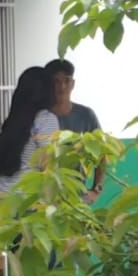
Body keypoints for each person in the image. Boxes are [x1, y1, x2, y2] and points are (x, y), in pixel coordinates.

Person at [0, 66, 65, 276]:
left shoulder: (12, 123)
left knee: (11, 274)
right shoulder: (46, 120)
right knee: (40, 272)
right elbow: (48, 166)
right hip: (30, 206)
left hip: (2, 204)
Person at [45, 58, 105, 203]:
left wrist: (96, 190)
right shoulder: (41, 117)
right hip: (45, 197)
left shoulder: (86, 115)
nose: (62, 86)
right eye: (56, 81)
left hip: (78, 196)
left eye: (66, 80)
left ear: (73, 84)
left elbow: (101, 154)